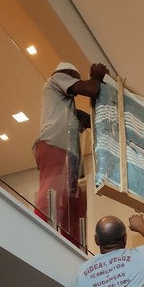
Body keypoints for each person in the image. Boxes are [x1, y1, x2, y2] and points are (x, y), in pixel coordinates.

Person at [33, 61, 108, 245]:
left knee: (75, 206)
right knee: (54, 193)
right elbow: (90, 88)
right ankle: (40, 234)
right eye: (74, 78)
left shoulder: (67, 109)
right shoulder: (56, 79)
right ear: (66, 74)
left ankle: (73, 245)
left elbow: (91, 121)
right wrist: (96, 77)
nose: (74, 82)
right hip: (55, 146)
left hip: (69, 157)